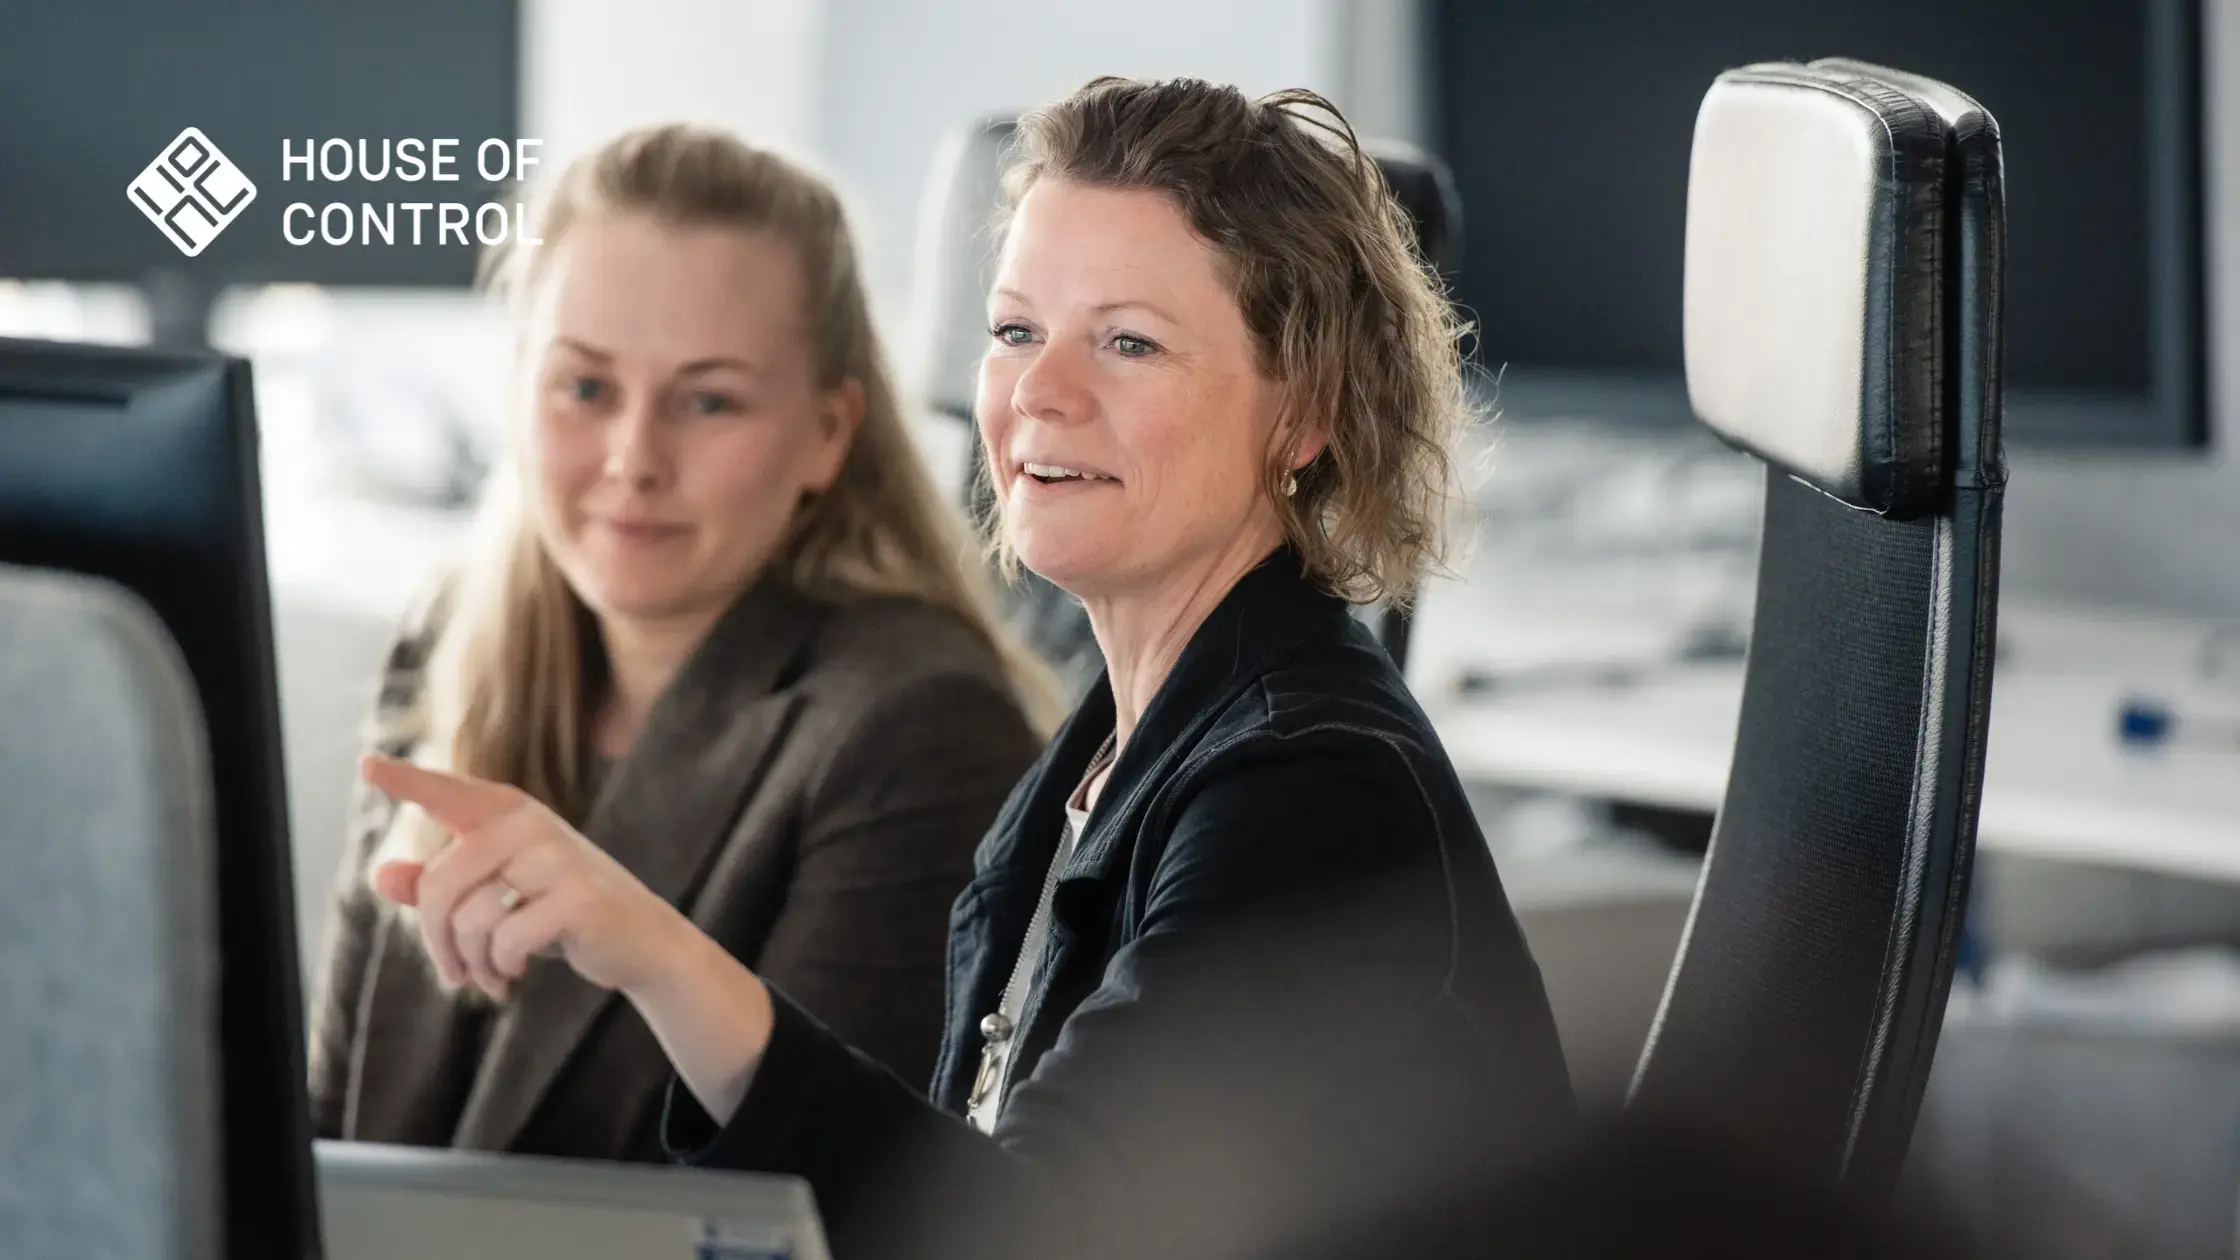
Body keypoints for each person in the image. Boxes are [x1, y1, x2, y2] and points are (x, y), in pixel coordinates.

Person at [360, 78, 1574, 1257]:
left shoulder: (1307, 788)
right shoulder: (1105, 755)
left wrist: (653, 950)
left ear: (1302, 413)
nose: (1039, 391)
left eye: (1128, 343)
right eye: (1012, 332)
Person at [307, 123, 1054, 1164]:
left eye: (707, 400)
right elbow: (325, 1134)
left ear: (827, 433)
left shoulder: (914, 728)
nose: (632, 458)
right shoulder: (449, 639)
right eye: (584, 387)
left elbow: (834, 1207)